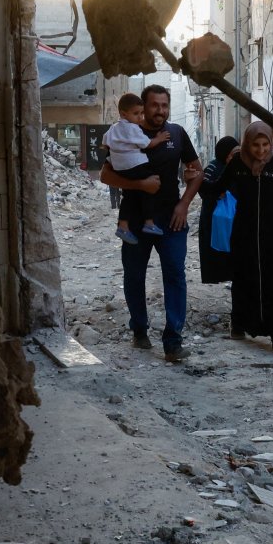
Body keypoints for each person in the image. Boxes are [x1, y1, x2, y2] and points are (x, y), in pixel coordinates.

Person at [99, 85, 201, 361]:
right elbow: (106, 175)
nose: (161, 111)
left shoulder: (177, 134)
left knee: (175, 276)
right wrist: (140, 183)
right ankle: (139, 329)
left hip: (171, 219)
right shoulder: (128, 131)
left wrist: (184, 204)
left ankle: (173, 341)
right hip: (135, 219)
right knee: (134, 276)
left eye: (164, 105)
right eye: (154, 105)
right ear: (143, 108)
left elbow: (197, 170)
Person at [205, 120, 273, 351]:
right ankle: (239, 324)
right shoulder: (238, 163)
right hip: (244, 233)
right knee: (244, 280)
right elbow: (217, 187)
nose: (261, 150)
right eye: (255, 145)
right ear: (248, 144)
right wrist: (197, 181)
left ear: (271, 142)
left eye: (265, 144)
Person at [102, 92, 170, 244]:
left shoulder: (114, 128)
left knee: (130, 195)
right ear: (123, 114)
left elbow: (105, 142)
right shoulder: (133, 128)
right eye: (136, 114)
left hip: (120, 167)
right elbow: (148, 144)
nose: (140, 117)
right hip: (135, 164)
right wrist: (159, 138)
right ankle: (149, 222)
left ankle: (123, 225)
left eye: (142, 113)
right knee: (152, 185)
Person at [197, 136, 240, 287]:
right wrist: (217, 193)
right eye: (232, 155)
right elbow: (203, 189)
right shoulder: (213, 168)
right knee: (217, 250)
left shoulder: (239, 168)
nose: (235, 158)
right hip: (214, 220)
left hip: (234, 218)